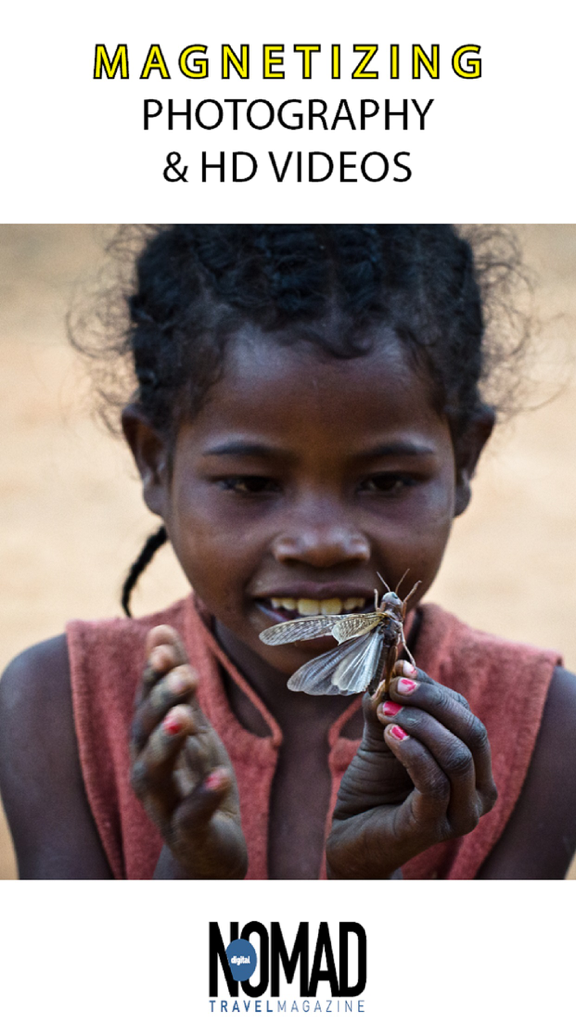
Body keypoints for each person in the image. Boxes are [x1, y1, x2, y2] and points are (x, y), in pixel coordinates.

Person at [1, 225, 575, 880]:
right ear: (155, 463)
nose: (324, 542)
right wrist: (188, 877)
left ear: (464, 461)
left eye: (386, 482)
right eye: (251, 483)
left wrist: (369, 879)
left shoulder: (549, 729)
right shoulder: (51, 708)